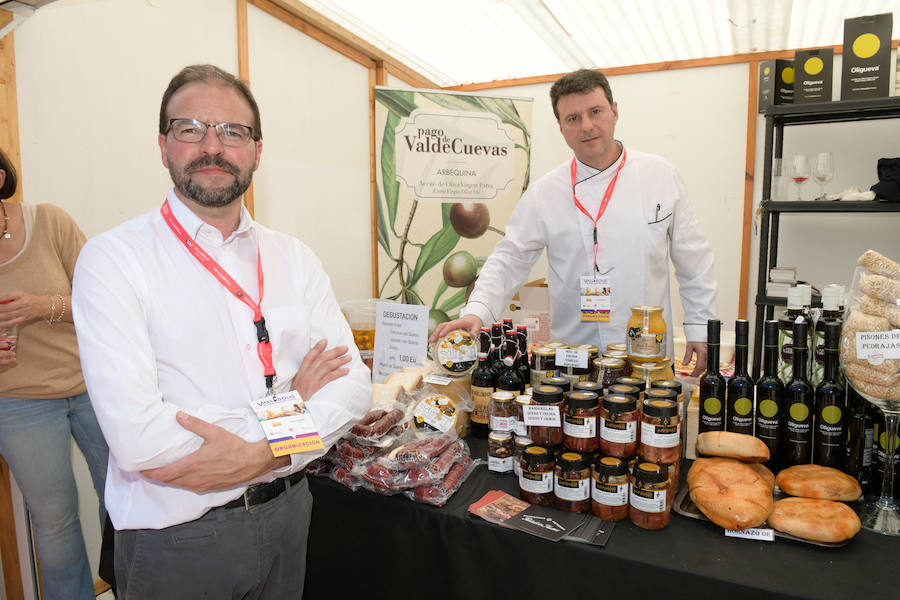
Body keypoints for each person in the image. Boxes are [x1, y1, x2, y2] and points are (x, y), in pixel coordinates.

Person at [72, 65, 371, 598]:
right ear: (164, 146)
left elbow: (352, 388)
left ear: (257, 150)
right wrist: (294, 400)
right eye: (190, 128)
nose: (213, 145)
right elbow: (139, 437)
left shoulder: (293, 258)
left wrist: (262, 454)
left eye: (233, 131)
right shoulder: (113, 260)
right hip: (179, 535)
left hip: (289, 512)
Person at [432, 69, 716, 375]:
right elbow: (509, 258)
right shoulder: (545, 193)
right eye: (573, 118)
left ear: (615, 112)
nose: (587, 126)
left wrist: (700, 326)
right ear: (561, 127)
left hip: (647, 357)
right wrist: (476, 311)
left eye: (596, 112)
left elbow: (694, 259)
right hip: (573, 362)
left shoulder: (659, 175)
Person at [0, 147, 109, 600]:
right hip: (17, 402)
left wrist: (43, 307)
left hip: (93, 386)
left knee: (128, 502)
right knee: (54, 522)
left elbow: (103, 300)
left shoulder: (49, 221)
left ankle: (138, 588)